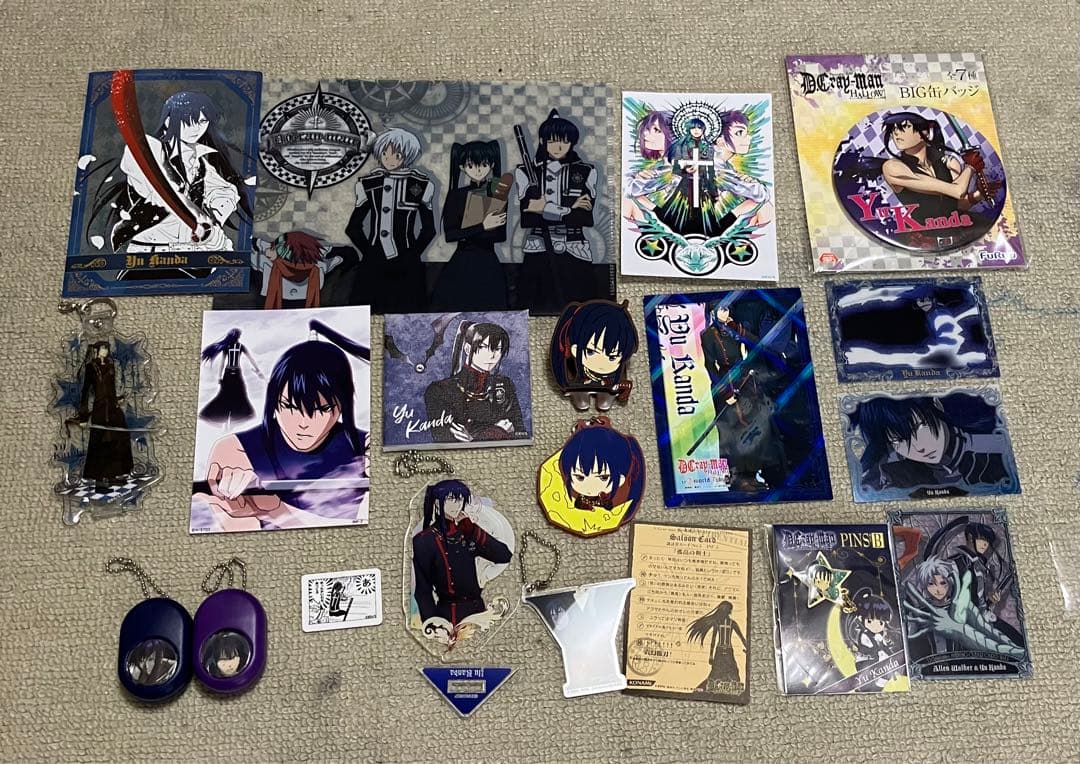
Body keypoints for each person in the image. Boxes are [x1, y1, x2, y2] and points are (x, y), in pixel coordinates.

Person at [196, 325, 368, 531]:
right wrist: (243, 506)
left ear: (342, 404)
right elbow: (242, 539)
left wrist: (274, 510)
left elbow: (366, 532)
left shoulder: (366, 448)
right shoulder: (235, 450)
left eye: (321, 409)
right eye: (290, 406)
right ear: (274, 399)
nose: (303, 422)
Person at [91, 90, 251, 279]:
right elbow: (162, 190)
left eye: (202, 121)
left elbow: (226, 192)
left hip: (194, 258)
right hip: (150, 257)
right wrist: (197, 218)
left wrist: (213, 220)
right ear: (168, 121)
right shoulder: (150, 149)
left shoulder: (200, 162)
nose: (197, 128)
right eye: (189, 121)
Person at [514, 109, 599, 313]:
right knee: (535, 307)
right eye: (552, 141)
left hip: (574, 249)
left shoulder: (586, 171)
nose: (558, 147)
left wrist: (546, 209)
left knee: (579, 309)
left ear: (572, 143)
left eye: (564, 141)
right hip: (538, 249)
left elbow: (585, 218)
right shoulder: (526, 172)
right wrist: (569, 210)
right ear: (542, 142)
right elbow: (527, 219)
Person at [345, 128, 436, 313]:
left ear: (407, 155)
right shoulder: (369, 183)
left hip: (408, 264)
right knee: (368, 315)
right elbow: (353, 228)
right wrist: (370, 252)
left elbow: (429, 229)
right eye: (385, 153)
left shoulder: (420, 184)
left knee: (408, 315)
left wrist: (412, 254)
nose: (389, 159)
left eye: (397, 154)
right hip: (373, 263)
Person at [853, 393, 1013, 493]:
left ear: (937, 405)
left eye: (920, 426)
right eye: (897, 440)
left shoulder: (994, 448)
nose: (919, 447)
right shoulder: (892, 469)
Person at [410, 480, 512, 628]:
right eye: (451, 499)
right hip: (447, 617)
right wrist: (433, 627)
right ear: (437, 503)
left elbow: (504, 555)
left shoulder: (468, 532)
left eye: (460, 499)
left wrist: (473, 530)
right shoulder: (424, 541)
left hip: (478, 612)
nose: (457, 505)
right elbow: (423, 591)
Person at [430, 140, 511, 311]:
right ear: (462, 167)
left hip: (488, 261)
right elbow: (451, 235)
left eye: (484, 164)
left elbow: (500, 235)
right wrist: (482, 226)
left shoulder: (498, 193)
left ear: (492, 165)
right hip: (462, 260)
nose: (478, 170)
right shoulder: (456, 195)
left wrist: (478, 229)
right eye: (471, 165)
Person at [537, 420, 645, 537]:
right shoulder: (564, 492)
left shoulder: (622, 499)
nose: (589, 487)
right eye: (579, 477)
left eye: (603, 477)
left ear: (622, 478)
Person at [424, 321, 524, 444]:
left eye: (497, 349)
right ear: (467, 348)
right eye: (483, 347)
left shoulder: (505, 385)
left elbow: (521, 434)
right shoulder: (439, 390)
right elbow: (445, 440)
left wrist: (473, 438)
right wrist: (496, 432)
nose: (491, 355)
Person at [549, 300, 638, 412]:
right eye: (591, 351)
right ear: (575, 349)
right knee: (582, 403)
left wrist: (623, 390)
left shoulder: (615, 377)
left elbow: (621, 384)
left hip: (607, 387)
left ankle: (599, 400)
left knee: (604, 404)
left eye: (612, 357)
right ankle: (584, 400)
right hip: (578, 384)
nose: (601, 363)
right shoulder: (572, 375)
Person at [72, 341, 133, 488]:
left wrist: (117, 399)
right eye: (103, 348)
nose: (105, 351)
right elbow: (86, 391)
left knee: (118, 437)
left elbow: (111, 388)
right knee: (99, 442)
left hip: (112, 408)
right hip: (99, 408)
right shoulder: (90, 367)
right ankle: (99, 480)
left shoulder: (111, 365)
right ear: (97, 350)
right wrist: (83, 416)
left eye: (107, 348)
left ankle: (113, 475)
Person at [249, 231, 348, 310]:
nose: (269, 250)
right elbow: (339, 255)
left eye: (274, 247)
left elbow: (251, 252)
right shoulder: (318, 268)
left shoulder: (268, 265)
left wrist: (257, 242)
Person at [711, 110, 773, 227]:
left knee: (759, 208)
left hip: (707, 222)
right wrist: (754, 184)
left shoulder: (722, 164)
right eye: (739, 132)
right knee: (765, 207)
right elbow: (760, 195)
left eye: (746, 132)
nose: (748, 138)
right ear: (720, 141)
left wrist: (748, 182)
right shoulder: (717, 167)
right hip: (702, 229)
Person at [199, 328, 263, 425]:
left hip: (231, 373)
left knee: (236, 393)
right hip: (232, 373)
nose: (239, 337)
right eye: (239, 336)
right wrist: (258, 371)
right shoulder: (238, 347)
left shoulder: (236, 347)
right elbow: (224, 362)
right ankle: (231, 417)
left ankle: (235, 418)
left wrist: (258, 371)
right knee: (231, 394)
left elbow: (250, 359)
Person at [623, 110, 677, 222]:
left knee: (626, 202)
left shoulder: (672, 168)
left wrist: (634, 180)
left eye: (656, 130)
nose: (646, 134)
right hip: (661, 219)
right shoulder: (660, 165)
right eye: (647, 128)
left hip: (667, 222)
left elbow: (628, 188)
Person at [686, 601, 747, 693]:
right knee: (718, 672)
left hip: (726, 650)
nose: (730, 611)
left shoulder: (732, 623)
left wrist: (748, 649)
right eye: (729, 610)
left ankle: (731, 691)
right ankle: (705, 690)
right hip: (721, 650)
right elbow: (714, 640)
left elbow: (742, 638)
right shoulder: (721, 623)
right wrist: (711, 655)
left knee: (732, 671)